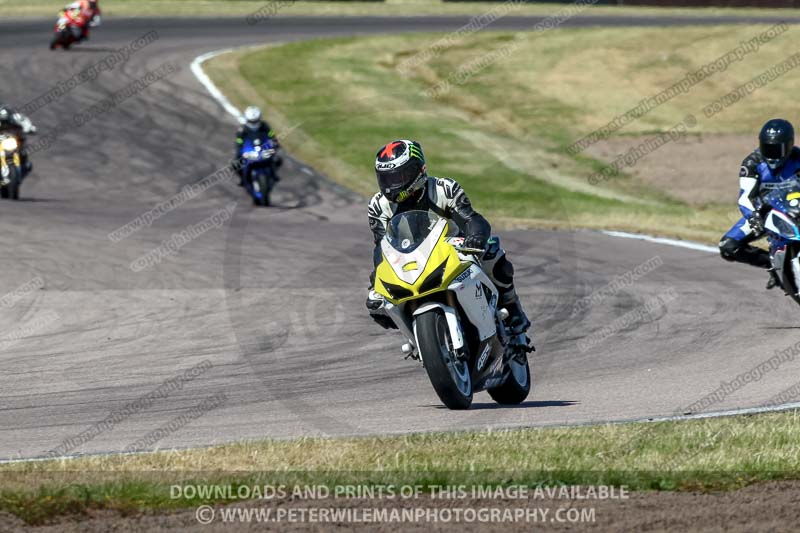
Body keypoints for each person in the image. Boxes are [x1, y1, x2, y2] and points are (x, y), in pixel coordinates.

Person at [365, 139, 531, 338]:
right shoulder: (377, 206)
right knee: (378, 302)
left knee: (493, 253)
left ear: (419, 170)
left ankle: (512, 307)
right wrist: (377, 282)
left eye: (398, 177)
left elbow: (472, 219)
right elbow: (381, 247)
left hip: (453, 250)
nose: (391, 186)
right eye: (386, 179)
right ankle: (420, 338)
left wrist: (476, 236)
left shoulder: (444, 189)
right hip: (411, 260)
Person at [719, 118, 800, 289]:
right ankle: (772, 266)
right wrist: (754, 217)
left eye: (777, 148)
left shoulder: (798, 158)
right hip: (765, 212)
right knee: (728, 246)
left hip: (795, 209)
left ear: (790, 145)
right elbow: (745, 197)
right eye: (768, 148)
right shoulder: (752, 163)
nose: (772, 153)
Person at [233, 106, 282, 186]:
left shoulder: (264, 126)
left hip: (263, 149)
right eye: (252, 121)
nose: (254, 123)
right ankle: (242, 179)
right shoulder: (242, 129)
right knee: (235, 164)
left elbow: (271, 135)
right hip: (249, 151)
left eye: (255, 121)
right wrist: (239, 151)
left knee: (278, 159)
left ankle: (274, 174)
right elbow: (239, 141)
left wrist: (275, 143)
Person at [0, 105, 36, 177]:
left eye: (6, 121)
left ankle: (19, 176)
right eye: (2, 122)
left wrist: (30, 128)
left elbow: (27, 124)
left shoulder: (17, 118)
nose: (5, 124)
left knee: (26, 163)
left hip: (15, 143)